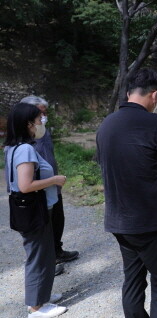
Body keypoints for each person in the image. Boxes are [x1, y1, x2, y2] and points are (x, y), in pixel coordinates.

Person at [96, 68, 157, 318]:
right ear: (154, 95)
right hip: (151, 220)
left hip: (119, 220)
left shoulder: (107, 124)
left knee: (133, 278)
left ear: (127, 92)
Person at [4, 103, 68, 317]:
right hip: (34, 211)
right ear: (28, 123)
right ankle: (36, 307)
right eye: (38, 118)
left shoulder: (13, 147)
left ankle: (41, 296)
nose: (42, 121)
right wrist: (55, 180)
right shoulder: (25, 150)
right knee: (38, 256)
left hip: (32, 209)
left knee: (45, 253)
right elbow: (25, 185)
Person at [20, 96, 79, 270]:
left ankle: (57, 251)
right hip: (39, 187)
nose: (44, 116)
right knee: (44, 224)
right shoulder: (25, 138)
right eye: (40, 113)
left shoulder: (44, 129)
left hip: (53, 184)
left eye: (45, 113)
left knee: (58, 218)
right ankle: (46, 263)